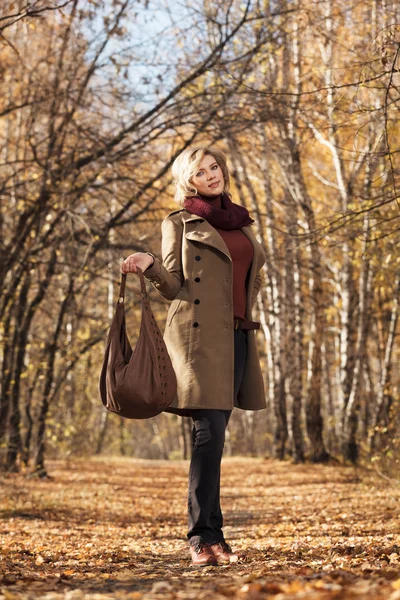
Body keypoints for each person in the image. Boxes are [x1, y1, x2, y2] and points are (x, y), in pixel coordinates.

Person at [121, 145, 266, 566]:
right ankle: (202, 539)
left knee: (215, 440)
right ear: (189, 180)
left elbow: (252, 275)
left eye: (214, 166)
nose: (211, 174)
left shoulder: (241, 221)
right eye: (200, 171)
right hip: (197, 339)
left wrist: (249, 304)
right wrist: (149, 264)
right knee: (209, 436)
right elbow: (172, 284)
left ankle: (214, 536)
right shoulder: (179, 223)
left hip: (237, 337)